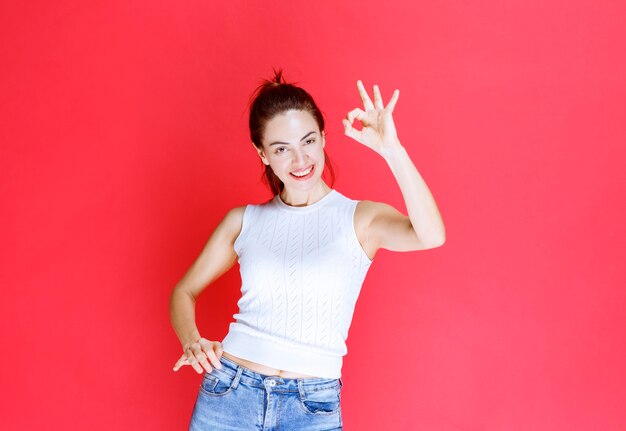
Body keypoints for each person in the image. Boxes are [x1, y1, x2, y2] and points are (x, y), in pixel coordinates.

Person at [169, 70, 446, 430]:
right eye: (281, 149)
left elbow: (431, 236)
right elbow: (183, 291)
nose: (300, 161)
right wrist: (192, 341)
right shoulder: (243, 221)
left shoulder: (360, 219)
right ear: (263, 154)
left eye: (309, 141)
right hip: (229, 394)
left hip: (311, 406)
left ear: (323, 138)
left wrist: (392, 150)